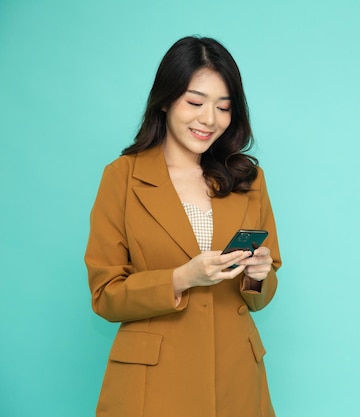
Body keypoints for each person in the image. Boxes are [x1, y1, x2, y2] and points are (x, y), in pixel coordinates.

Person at [85, 36, 281, 417]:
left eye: (224, 108)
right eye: (195, 102)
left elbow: (260, 293)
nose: (209, 120)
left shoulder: (249, 178)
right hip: (154, 384)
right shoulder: (122, 178)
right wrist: (181, 277)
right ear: (164, 100)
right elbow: (105, 295)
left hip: (236, 379)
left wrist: (258, 274)